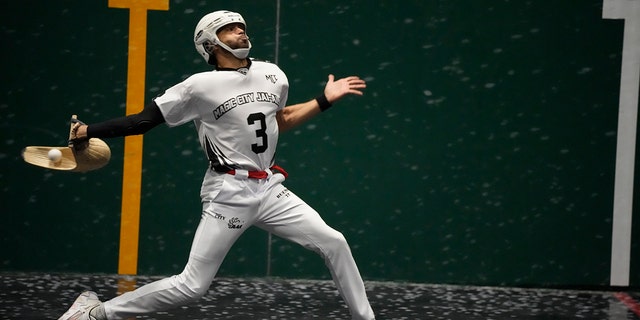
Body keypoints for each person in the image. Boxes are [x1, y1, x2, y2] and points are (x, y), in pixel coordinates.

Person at [58, 10, 375, 320]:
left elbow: (281, 119)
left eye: (241, 26)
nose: (241, 31)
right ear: (210, 44)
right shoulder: (198, 86)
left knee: (334, 242)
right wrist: (86, 131)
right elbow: (142, 121)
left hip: (269, 188)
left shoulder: (273, 74)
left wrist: (324, 99)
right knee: (192, 285)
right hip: (229, 192)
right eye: (230, 28)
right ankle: (95, 314)